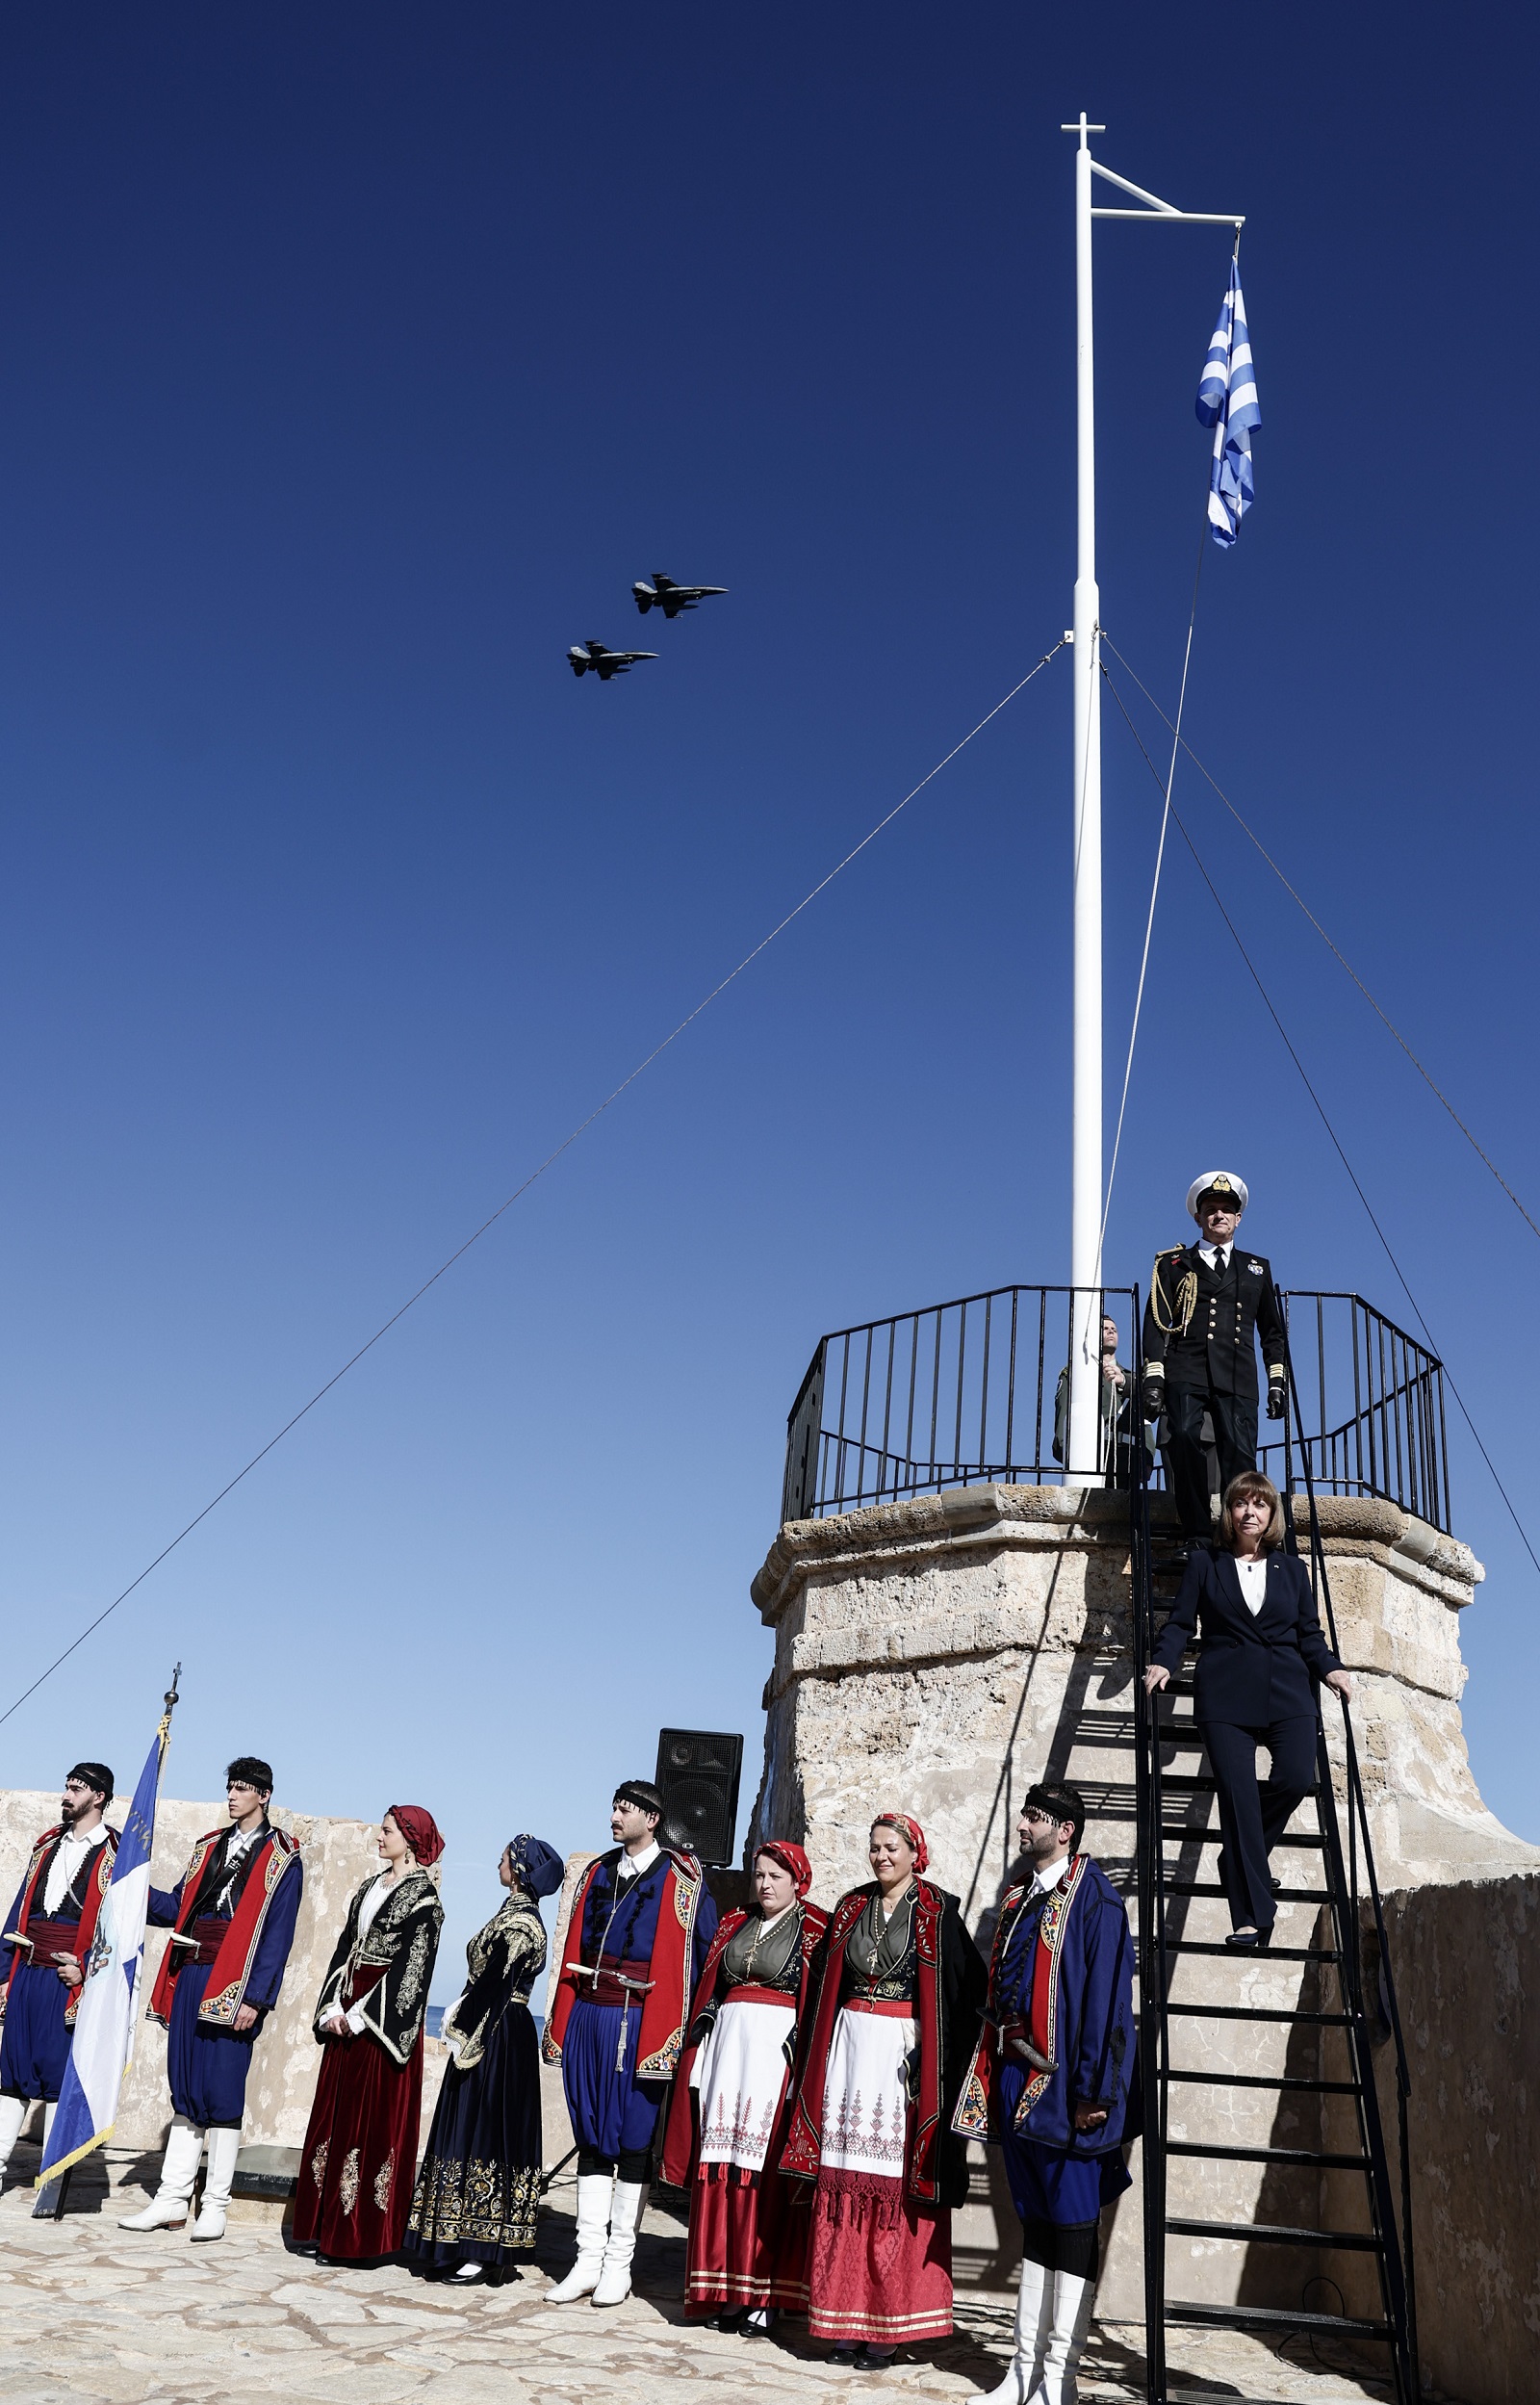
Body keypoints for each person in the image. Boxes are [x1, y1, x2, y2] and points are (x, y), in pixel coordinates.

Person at [782, 1813, 987, 2369]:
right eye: (874, 1848)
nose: (880, 1857)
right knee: (846, 2179)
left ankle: (888, 2325)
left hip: (901, 2055)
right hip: (850, 2049)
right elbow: (825, 1981)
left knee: (889, 2184)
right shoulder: (851, 1907)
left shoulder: (937, 1910)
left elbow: (968, 1990)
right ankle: (844, 2319)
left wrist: (936, 2052)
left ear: (915, 1852)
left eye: (891, 1848)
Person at [955, 1783, 1137, 2405]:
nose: (1023, 1823)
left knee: (1074, 2229)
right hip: (1015, 2081)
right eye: (1026, 1812)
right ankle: (1022, 2373)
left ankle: (1058, 2380)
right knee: (1036, 2227)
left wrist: (1095, 2093)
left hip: (1068, 2093)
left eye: (1035, 1816)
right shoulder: (1018, 1900)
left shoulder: (1097, 1902)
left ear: (1067, 1831)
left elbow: (1109, 2007)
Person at [1144, 1471, 1352, 1947]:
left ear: (1272, 1515)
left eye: (1261, 1505)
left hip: (1288, 1690)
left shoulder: (1294, 1571)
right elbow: (1180, 1624)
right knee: (1237, 1800)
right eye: (1242, 1504)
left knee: (1296, 1777)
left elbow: (1310, 1636)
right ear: (1230, 1513)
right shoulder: (1204, 1563)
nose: (1251, 1512)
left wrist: (1331, 1670)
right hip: (1225, 1695)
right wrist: (1163, 1661)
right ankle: (1254, 1917)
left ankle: (1239, 1857)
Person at [542, 1778, 719, 2308]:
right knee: (592, 2137)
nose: (616, 1816)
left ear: (652, 1818)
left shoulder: (682, 1878)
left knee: (633, 2140)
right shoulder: (597, 1871)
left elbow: (703, 1956)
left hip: (642, 2022)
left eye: (626, 1809)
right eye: (614, 1807)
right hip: (591, 2015)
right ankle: (586, 2261)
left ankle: (619, 2264)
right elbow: (573, 1942)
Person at [122, 1756, 302, 2240]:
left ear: (263, 1795)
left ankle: (216, 2203)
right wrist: (135, 1884)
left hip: (236, 1982)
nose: (232, 1796)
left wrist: (257, 1999)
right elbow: (179, 1907)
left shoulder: (284, 1856)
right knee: (184, 2086)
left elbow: (277, 1938)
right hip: (191, 1972)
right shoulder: (208, 1848)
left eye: (242, 1788)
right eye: (229, 1787)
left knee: (222, 2091)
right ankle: (171, 2199)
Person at [661, 1839, 829, 2333]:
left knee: (763, 2172)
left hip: (773, 2060)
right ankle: (725, 2289)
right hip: (727, 2055)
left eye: (775, 1877)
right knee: (723, 2167)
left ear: (797, 1881)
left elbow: (819, 1998)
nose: (764, 1885)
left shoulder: (815, 1928)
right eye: (759, 1875)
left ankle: (765, 2294)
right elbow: (713, 1983)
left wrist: (801, 2048)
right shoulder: (736, 1923)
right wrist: (709, 2012)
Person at [403, 1831, 565, 2284]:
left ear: (520, 1871)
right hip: (491, 2026)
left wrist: (461, 2021)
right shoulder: (510, 1914)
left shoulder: (521, 1923)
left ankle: (481, 2246)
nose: (498, 1865)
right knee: (470, 2126)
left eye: (504, 1860)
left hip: (497, 2032)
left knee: (489, 2130)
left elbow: (496, 1981)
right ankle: (455, 2239)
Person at [293, 1805, 446, 2264]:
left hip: (380, 2026)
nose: (379, 1838)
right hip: (345, 2011)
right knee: (335, 2118)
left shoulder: (425, 1902)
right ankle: (324, 2227)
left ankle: (359, 2238)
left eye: (387, 1831)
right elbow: (346, 1947)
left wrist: (359, 2017)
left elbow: (412, 1974)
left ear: (411, 1839)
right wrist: (331, 2008)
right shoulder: (369, 1887)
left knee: (368, 2124)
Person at [1141, 1171, 1287, 1543]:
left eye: (1226, 1210)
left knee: (1239, 1458)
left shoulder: (1256, 1268)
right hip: (1186, 1368)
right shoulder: (1173, 1265)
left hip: (1237, 1374)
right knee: (1185, 1437)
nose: (1218, 1215)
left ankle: (1237, 1538)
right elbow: (1156, 1323)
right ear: (1198, 1218)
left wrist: (1276, 1381)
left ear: (1238, 1219)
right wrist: (1154, 1377)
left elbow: (1272, 1331)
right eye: (1210, 1209)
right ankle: (1195, 1533)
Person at [0, 1764, 117, 2185]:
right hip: (27, 1971)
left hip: (68, 1981)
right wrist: (2, 1971)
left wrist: (85, 1967)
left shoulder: (118, 1855)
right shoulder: (47, 1843)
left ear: (98, 1796)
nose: (66, 1795)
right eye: (66, 1786)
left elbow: (120, 1929)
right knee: (11, 2072)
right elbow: (21, 1909)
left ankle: (52, 2176)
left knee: (56, 2074)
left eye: (76, 1788)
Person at [1053, 1315, 1133, 1487]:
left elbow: (1144, 1421)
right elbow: (1063, 1413)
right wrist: (1066, 1451)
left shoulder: (1130, 1378)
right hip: (1089, 1455)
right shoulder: (1075, 1373)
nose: (1111, 1331)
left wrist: (1147, 1460)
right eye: (1104, 1328)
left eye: (1114, 1329)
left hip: (1126, 1458)